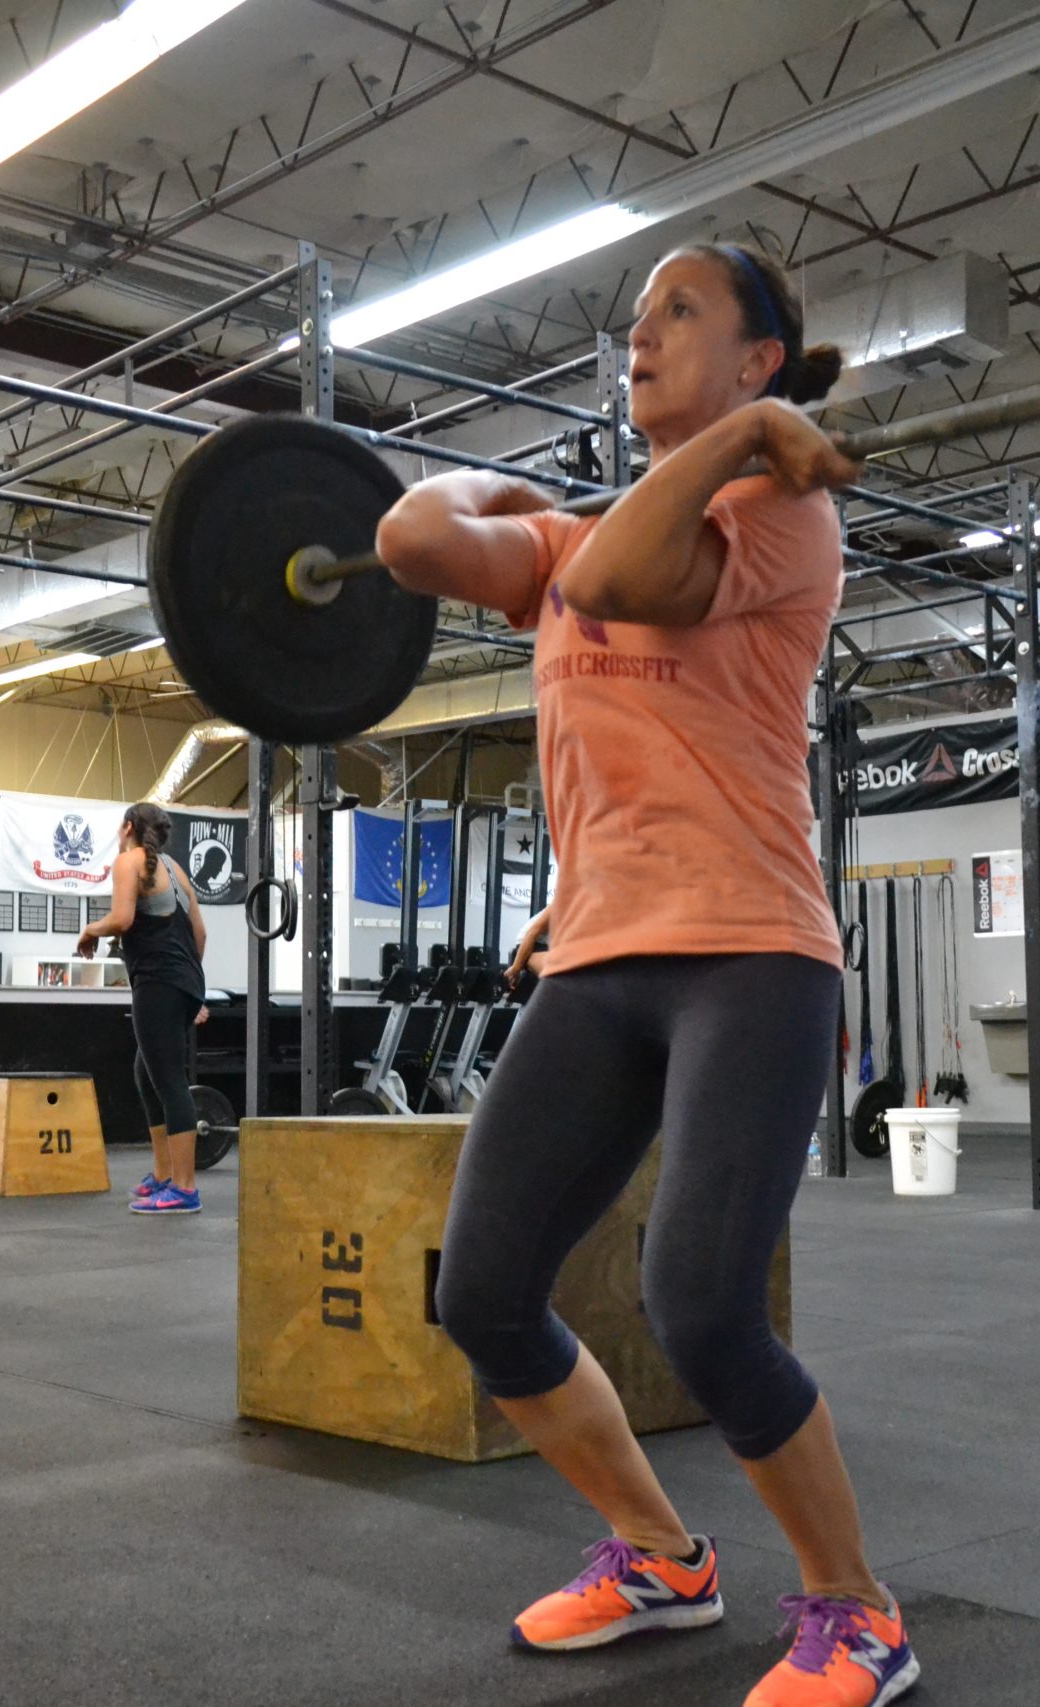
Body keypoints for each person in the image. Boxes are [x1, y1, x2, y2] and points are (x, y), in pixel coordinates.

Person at [375, 243, 915, 1707]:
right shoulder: (575, 539)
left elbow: (620, 577)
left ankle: (859, 1612)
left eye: (679, 312)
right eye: (632, 320)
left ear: (759, 359)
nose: (639, 336)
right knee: (484, 1292)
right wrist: (520, 495)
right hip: (600, 957)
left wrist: (751, 442)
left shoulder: (784, 511)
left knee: (702, 1304)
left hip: (751, 951)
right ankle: (663, 1556)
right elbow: (412, 538)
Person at [76, 803, 209, 1216]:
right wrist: (189, 988)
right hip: (182, 982)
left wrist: (90, 929)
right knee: (146, 1071)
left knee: (169, 1081)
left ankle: (184, 1188)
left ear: (128, 827)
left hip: (158, 984)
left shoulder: (128, 862)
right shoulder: (175, 869)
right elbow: (200, 933)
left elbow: (122, 918)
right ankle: (165, 1174)